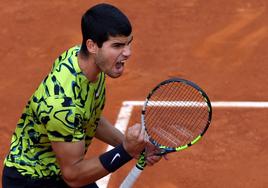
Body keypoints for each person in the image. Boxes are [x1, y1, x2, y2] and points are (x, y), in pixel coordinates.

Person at [2, 3, 161, 188]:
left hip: (59, 169)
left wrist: (134, 146)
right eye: (117, 46)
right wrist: (126, 150)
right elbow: (73, 175)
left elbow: (88, 117)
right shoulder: (61, 104)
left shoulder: (84, 62)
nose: (127, 53)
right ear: (92, 46)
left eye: (128, 43)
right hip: (32, 180)